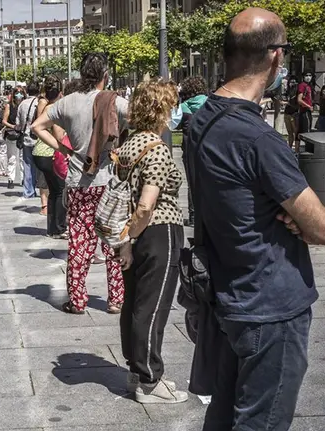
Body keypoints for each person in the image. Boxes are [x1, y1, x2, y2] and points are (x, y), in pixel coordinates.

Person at [186, 8, 325, 429]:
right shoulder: (258, 138)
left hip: (229, 295)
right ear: (275, 56)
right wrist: (293, 214)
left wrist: (278, 209)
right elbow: (323, 228)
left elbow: (234, 196)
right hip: (270, 304)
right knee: (262, 422)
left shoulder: (201, 121)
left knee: (224, 414)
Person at [31, 53, 127, 315]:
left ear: (82, 75)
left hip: (78, 182)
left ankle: (77, 299)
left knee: (79, 242)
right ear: (105, 75)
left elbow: (37, 126)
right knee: (112, 242)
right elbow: (139, 119)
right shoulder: (113, 101)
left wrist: (62, 148)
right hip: (107, 182)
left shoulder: (68, 103)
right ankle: (116, 299)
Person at [116, 80, 188, 404]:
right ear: (161, 110)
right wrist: (133, 235)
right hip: (159, 231)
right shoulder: (156, 147)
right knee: (153, 305)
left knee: (134, 302)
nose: (175, 112)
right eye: (171, 106)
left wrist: (127, 242)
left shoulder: (130, 143)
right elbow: (146, 204)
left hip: (135, 235)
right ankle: (150, 380)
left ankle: (135, 370)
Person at [31, 75, 67, 239]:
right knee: (60, 191)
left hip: (39, 152)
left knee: (53, 191)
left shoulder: (45, 107)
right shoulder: (56, 109)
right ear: (60, 92)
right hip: (49, 154)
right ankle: (59, 228)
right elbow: (59, 135)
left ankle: (52, 228)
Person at [178, 76, 208, 227]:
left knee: (192, 181)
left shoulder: (183, 107)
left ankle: (193, 216)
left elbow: (174, 124)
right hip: (208, 147)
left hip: (189, 147)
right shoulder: (210, 103)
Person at [15, 81, 42, 199]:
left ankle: (28, 191)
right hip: (39, 138)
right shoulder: (40, 103)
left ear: (27, 91)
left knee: (27, 165)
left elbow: (18, 124)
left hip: (26, 138)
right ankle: (41, 189)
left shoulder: (22, 104)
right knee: (40, 165)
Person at [1, 87, 24, 189]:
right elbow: (4, 121)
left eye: (21, 93)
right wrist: (13, 126)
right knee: (12, 158)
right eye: (17, 93)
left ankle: (24, 179)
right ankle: (11, 178)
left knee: (23, 158)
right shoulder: (9, 106)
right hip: (12, 134)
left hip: (23, 134)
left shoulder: (25, 105)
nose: (19, 95)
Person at [283, 76, 300, 148]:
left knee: (295, 132)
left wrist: (288, 103)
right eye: (290, 82)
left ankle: (296, 148)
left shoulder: (297, 92)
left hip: (294, 114)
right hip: (287, 113)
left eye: (294, 82)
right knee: (289, 132)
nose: (292, 84)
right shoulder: (288, 91)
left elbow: (297, 105)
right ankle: (289, 147)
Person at [297, 71, 314, 139]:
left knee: (301, 131)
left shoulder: (308, 86)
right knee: (307, 132)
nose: (308, 77)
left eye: (310, 75)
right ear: (303, 77)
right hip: (305, 111)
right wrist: (309, 106)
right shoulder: (302, 85)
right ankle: (308, 148)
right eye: (306, 75)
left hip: (306, 111)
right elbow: (299, 100)